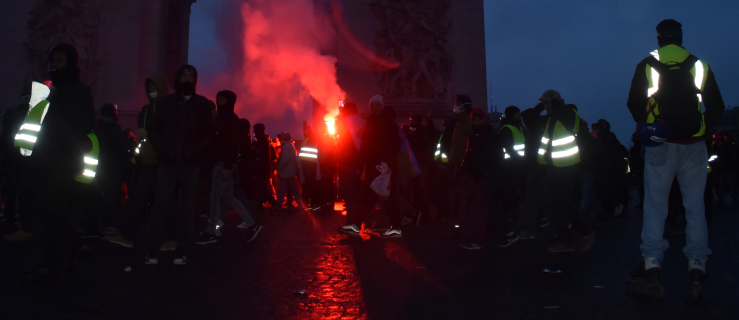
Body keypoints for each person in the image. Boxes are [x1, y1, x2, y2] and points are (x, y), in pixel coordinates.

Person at [625, 19, 725, 298]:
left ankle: (652, 262)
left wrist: (651, 125)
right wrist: (701, 129)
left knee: (656, 207)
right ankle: (697, 263)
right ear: (680, 38)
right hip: (694, 145)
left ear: (659, 38)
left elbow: (633, 103)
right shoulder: (698, 65)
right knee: (695, 207)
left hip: (660, 143)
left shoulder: (647, 65)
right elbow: (716, 106)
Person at [22, 44, 96, 282]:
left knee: (49, 211)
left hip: (60, 162)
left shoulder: (79, 91)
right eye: (53, 59)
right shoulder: (59, 91)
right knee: (46, 211)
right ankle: (68, 252)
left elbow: (84, 125)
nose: (55, 64)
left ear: (72, 62)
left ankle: (55, 260)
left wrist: (61, 141)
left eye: (61, 59)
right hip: (47, 160)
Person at [143, 64, 216, 266]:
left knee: (187, 210)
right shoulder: (166, 103)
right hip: (167, 161)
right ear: (177, 78)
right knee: (160, 207)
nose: (187, 76)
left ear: (195, 79)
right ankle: (152, 251)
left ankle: (182, 251)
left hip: (191, 163)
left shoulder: (202, 104)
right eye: (184, 73)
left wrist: (196, 151)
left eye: (191, 73)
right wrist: (162, 148)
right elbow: (153, 129)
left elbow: (210, 132)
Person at [104, 73, 171, 249]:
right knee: (144, 198)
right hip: (150, 161)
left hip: (165, 160)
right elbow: (145, 130)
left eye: (154, 86)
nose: (151, 90)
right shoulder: (145, 110)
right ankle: (132, 235)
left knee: (162, 200)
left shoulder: (170, 109)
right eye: (149, 86)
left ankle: (167, 237)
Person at [533, 90, 595, 253]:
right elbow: (533, 123)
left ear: (555, 102)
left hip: (567, 165)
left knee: (560, 203)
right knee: (559, 204)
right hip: (555, 167)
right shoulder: (551, 119)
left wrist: (556, 103)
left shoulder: (569, 113)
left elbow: (571, 125)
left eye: (546, 103)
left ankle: (580, 234)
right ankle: (572, 238)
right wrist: (541, 168)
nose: (544, 106)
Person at [195, 90, 260, 245]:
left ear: (229, 102)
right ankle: (252, 224)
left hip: (223, 164)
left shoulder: (231, 120)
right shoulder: (223, 118)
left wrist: (227, 167)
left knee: (215, 198)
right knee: (229, 197)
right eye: (218, 99)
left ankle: (211, 232)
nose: (219, 102)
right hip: (222, 163)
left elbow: (232, 146)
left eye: (223, 99)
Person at [338, 97, 403, 238]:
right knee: (370, 197)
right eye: (372, 105)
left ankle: (358, 225)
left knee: (384, 198)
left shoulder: (389, 124)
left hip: (384, 167)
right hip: (375, 166)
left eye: (377, 105)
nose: (375, 108)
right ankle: (356, 225)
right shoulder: (370, 123)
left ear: (382, 106)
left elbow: (395, 146)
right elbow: (365, 147)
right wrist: (360, 164)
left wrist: (389, 165)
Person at [458, 108, 503, 249]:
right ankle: (507, 233)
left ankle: (476, 239)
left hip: (488, 176)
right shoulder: (474, 137)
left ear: (485, 120)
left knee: (479, 209)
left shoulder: (491, 136)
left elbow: (498, 157)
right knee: (490, 208)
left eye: (479, 119)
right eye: (475, 120)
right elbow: (469, 158)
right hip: (481, 176)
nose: (477, 122)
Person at [1, 82, 34, 241]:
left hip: (11, 156)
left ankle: (10, 217)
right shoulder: (31, 114)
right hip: (25, 158)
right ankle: (22, 220)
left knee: (12, 189)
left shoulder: (10, 113)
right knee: (24, 190)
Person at [93, 103, 129, 235]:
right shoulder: (115, 129)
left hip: (96, 165)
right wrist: (126, 167)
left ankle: (91, 224)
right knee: (111, 197)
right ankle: (107, 224)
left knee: (94, 195)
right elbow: (122, 150)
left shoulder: (95, 127)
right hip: (112, 166)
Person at [498, 106, 527, 225]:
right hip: (511, 164)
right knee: (511, 189)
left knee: (513, 189)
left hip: (516, 163)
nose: (520, 114)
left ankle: (511, 211)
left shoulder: (515, 127)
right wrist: (519, 159)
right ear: (513, 114)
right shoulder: (508, 128)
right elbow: (509, 148)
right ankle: (507, 212)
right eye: (517, 112)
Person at [336, 102, 363, 223]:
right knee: (357, 195)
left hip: (347, 164)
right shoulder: (362, 123)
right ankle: (357, 221)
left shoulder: (344, 124)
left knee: (349, 195)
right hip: (360, 164)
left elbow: (343, 146)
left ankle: (352, 223)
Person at [272, 132, 305, 211]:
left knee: (281, 189)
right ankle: (301, 203)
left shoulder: (286, 146)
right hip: (291, 172)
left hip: (285, 172)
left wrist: (279, 167)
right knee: (294, 188)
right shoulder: (291, 146)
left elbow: (284, 159)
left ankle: (279, 204)